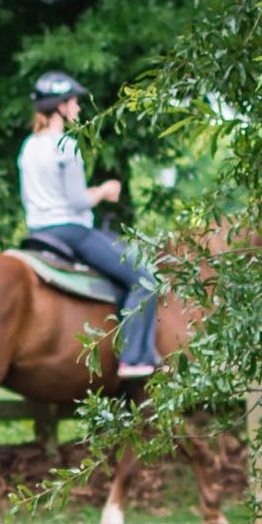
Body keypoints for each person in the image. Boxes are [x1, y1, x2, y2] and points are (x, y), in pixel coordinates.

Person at [19, 68, 160, 378]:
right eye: (74, 102)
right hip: (71, 231)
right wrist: (104, 191)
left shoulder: (28, 146)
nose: (79, 108)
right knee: (146, 278)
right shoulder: (65, 145)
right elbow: (78, 201)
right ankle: (134, 358)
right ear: (59, 106)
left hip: (38, 232)